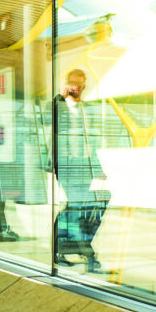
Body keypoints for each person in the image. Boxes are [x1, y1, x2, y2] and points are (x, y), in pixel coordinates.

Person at [53, 69, 109, 273]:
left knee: (79, 206)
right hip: (67, 165)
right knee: (76, 206)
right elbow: (47, 120)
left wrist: (97, 168)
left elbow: (89, 141)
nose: (75, 86)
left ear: (84, 86)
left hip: (84, 166)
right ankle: (87, 252)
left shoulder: (87, 109)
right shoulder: (58, 105)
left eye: (79, 83)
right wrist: (62, 96)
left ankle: (59, 249)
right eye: (71, 82)